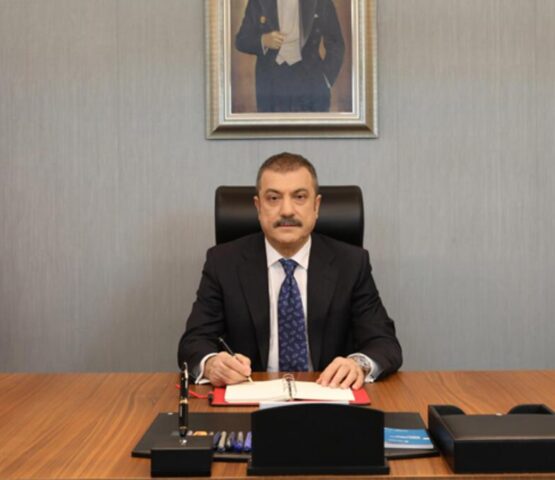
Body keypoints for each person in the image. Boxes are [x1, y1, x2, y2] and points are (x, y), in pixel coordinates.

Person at [178, 152, 402, 389]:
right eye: (273, 198)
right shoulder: (223, 262)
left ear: (316, 206)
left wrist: (358, 364)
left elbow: (384, 342)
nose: (286, 210)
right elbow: (193, 343)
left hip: (329, 395)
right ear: (258, 207)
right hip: (249, 397)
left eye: (299, 197)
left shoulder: (351, 263)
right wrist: (212, 364)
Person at [235, 0, 345, 112]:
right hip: (272, 82)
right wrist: (263, 40)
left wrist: (326, 78)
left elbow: (336, 42)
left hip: (310, 80)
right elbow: (241, 41)